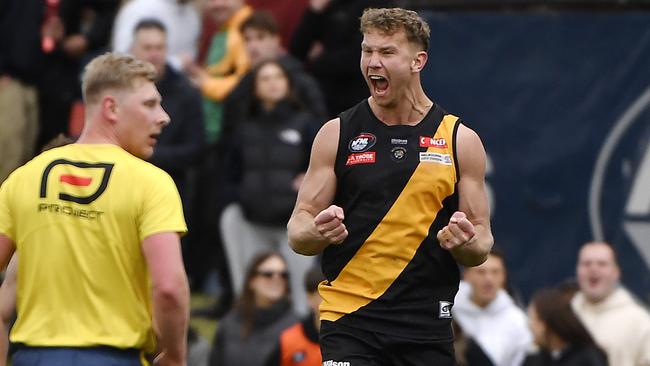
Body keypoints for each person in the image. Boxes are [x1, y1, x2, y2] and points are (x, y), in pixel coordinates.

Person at [287, 7, 493, 365]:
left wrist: (466, 242)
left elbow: (481, 243)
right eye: (367, 51)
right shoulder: (336, 133)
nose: (372, 62)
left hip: (425, 323)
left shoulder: (460, 140)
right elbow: (297, 231)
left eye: (386, 52)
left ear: (418, 61)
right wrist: (317, 231)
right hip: (350, 319)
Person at [0, 52, 190, 366]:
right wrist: (174, 355)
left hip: (31, 356)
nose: (163, 116)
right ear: (111, 108)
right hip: (112, 357)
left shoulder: (25, 176)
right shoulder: (151, 182)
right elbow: (169, 287)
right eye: (149, 104)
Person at [220, 59, 318, 315]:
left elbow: (325, 170)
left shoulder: (306, 124)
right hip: (254, 221)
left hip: (293, 223)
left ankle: (302, 339)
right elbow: (229, 174)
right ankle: (247, 324)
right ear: (255, 88)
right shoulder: (244, 128)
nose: (272, 83)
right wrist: (242, 196)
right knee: (230, 218)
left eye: (278, 77)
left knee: (301, 301)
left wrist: (308, 180)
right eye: (265, 78)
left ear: (288, 84)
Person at [208, 251, 298, 366]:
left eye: (283, 275)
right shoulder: (229, 323)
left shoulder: (296, 327)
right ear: (252, 280)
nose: (277, 279)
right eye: (268, 274)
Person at [571, 242, 650, 366]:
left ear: (616, 273)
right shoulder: (564, 316)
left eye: (602, 264)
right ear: (577, 270)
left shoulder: (639, 321)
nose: (593, 269)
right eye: (586, 264)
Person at [452, 250, 532, 366]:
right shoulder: (447, 308)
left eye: (495, 272)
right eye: (481, 272)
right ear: (467, 275)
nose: (488, 279)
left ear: (504, 276)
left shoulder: (518, 322)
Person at [524, 286, 608, 366]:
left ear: (547, 324)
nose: (529, 326)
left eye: (533, 319)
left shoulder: (589, 358)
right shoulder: (534, 360)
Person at [265, 265, 324, 366]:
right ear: (309, 298)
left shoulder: (353, 337)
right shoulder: (289, 341)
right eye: (324, 294)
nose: (333, 300)